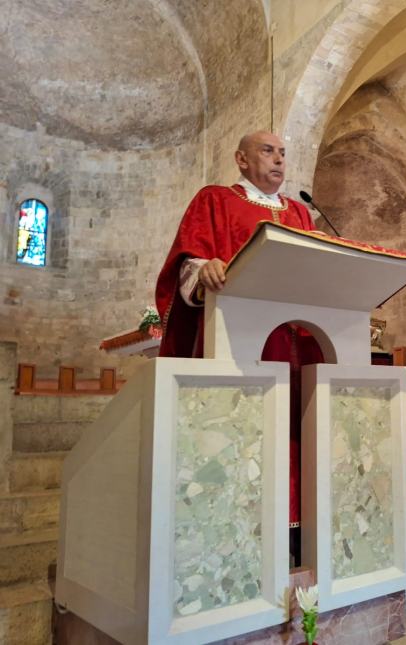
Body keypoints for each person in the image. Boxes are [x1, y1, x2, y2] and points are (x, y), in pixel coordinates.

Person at [155, 131, 321, 564]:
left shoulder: (301, 212)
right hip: (239, 346)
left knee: (295, 437)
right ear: (242, 160)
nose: (279, 160)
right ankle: (236, 538)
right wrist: (202, 268)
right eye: (268, 151)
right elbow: (187, 265)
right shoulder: (215, 200)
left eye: (283, 152)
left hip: (296, 350)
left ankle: (296, 533)